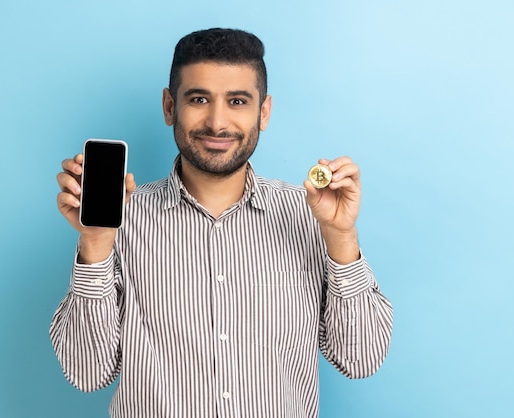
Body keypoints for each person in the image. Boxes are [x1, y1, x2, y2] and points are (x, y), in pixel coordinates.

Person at [51, 28, 393, 418]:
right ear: (169, 107)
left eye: (237, 101)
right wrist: (95, 242)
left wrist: (341, 236)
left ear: (262, 112)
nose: (217, 122)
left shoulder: (310, 215)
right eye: (199, 99)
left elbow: (361, 359)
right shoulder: (119, 221)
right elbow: (86, 372)